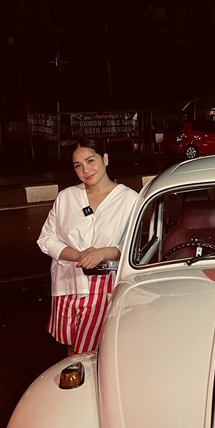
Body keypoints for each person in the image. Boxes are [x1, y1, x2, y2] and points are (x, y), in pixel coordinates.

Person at [37, 140, 140, 356]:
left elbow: (132, 246)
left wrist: (103, 252)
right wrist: (77, 255)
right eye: (78, 165)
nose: (86, 170)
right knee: (71, 346)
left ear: (105, 159)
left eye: (90, 161)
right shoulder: (67, 197)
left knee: (89, 352)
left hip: (102, 287)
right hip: (66, 283)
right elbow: (47, 238)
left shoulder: (128, 199)